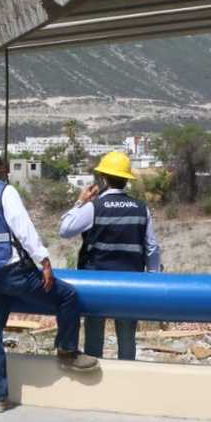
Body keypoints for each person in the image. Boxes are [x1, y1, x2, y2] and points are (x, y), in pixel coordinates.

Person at [0, 142, 99, 413]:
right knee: (67, 296)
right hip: (14, 273)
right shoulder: (5, 192)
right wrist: (44, 261)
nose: (4, 165)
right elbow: (23, 228)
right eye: (2, 162)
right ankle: (68, 351)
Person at [59, 150, 161, 361]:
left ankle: (95, 386)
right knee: (126, 339)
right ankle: (125, 383)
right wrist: (153, 278)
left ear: (103, 178)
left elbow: (65, 229)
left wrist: (80, 202)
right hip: (131, 285)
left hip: (96, 285)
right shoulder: (142, 209)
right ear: (126, 179)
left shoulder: (93, 208)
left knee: (94, 341)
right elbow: (152, 249)